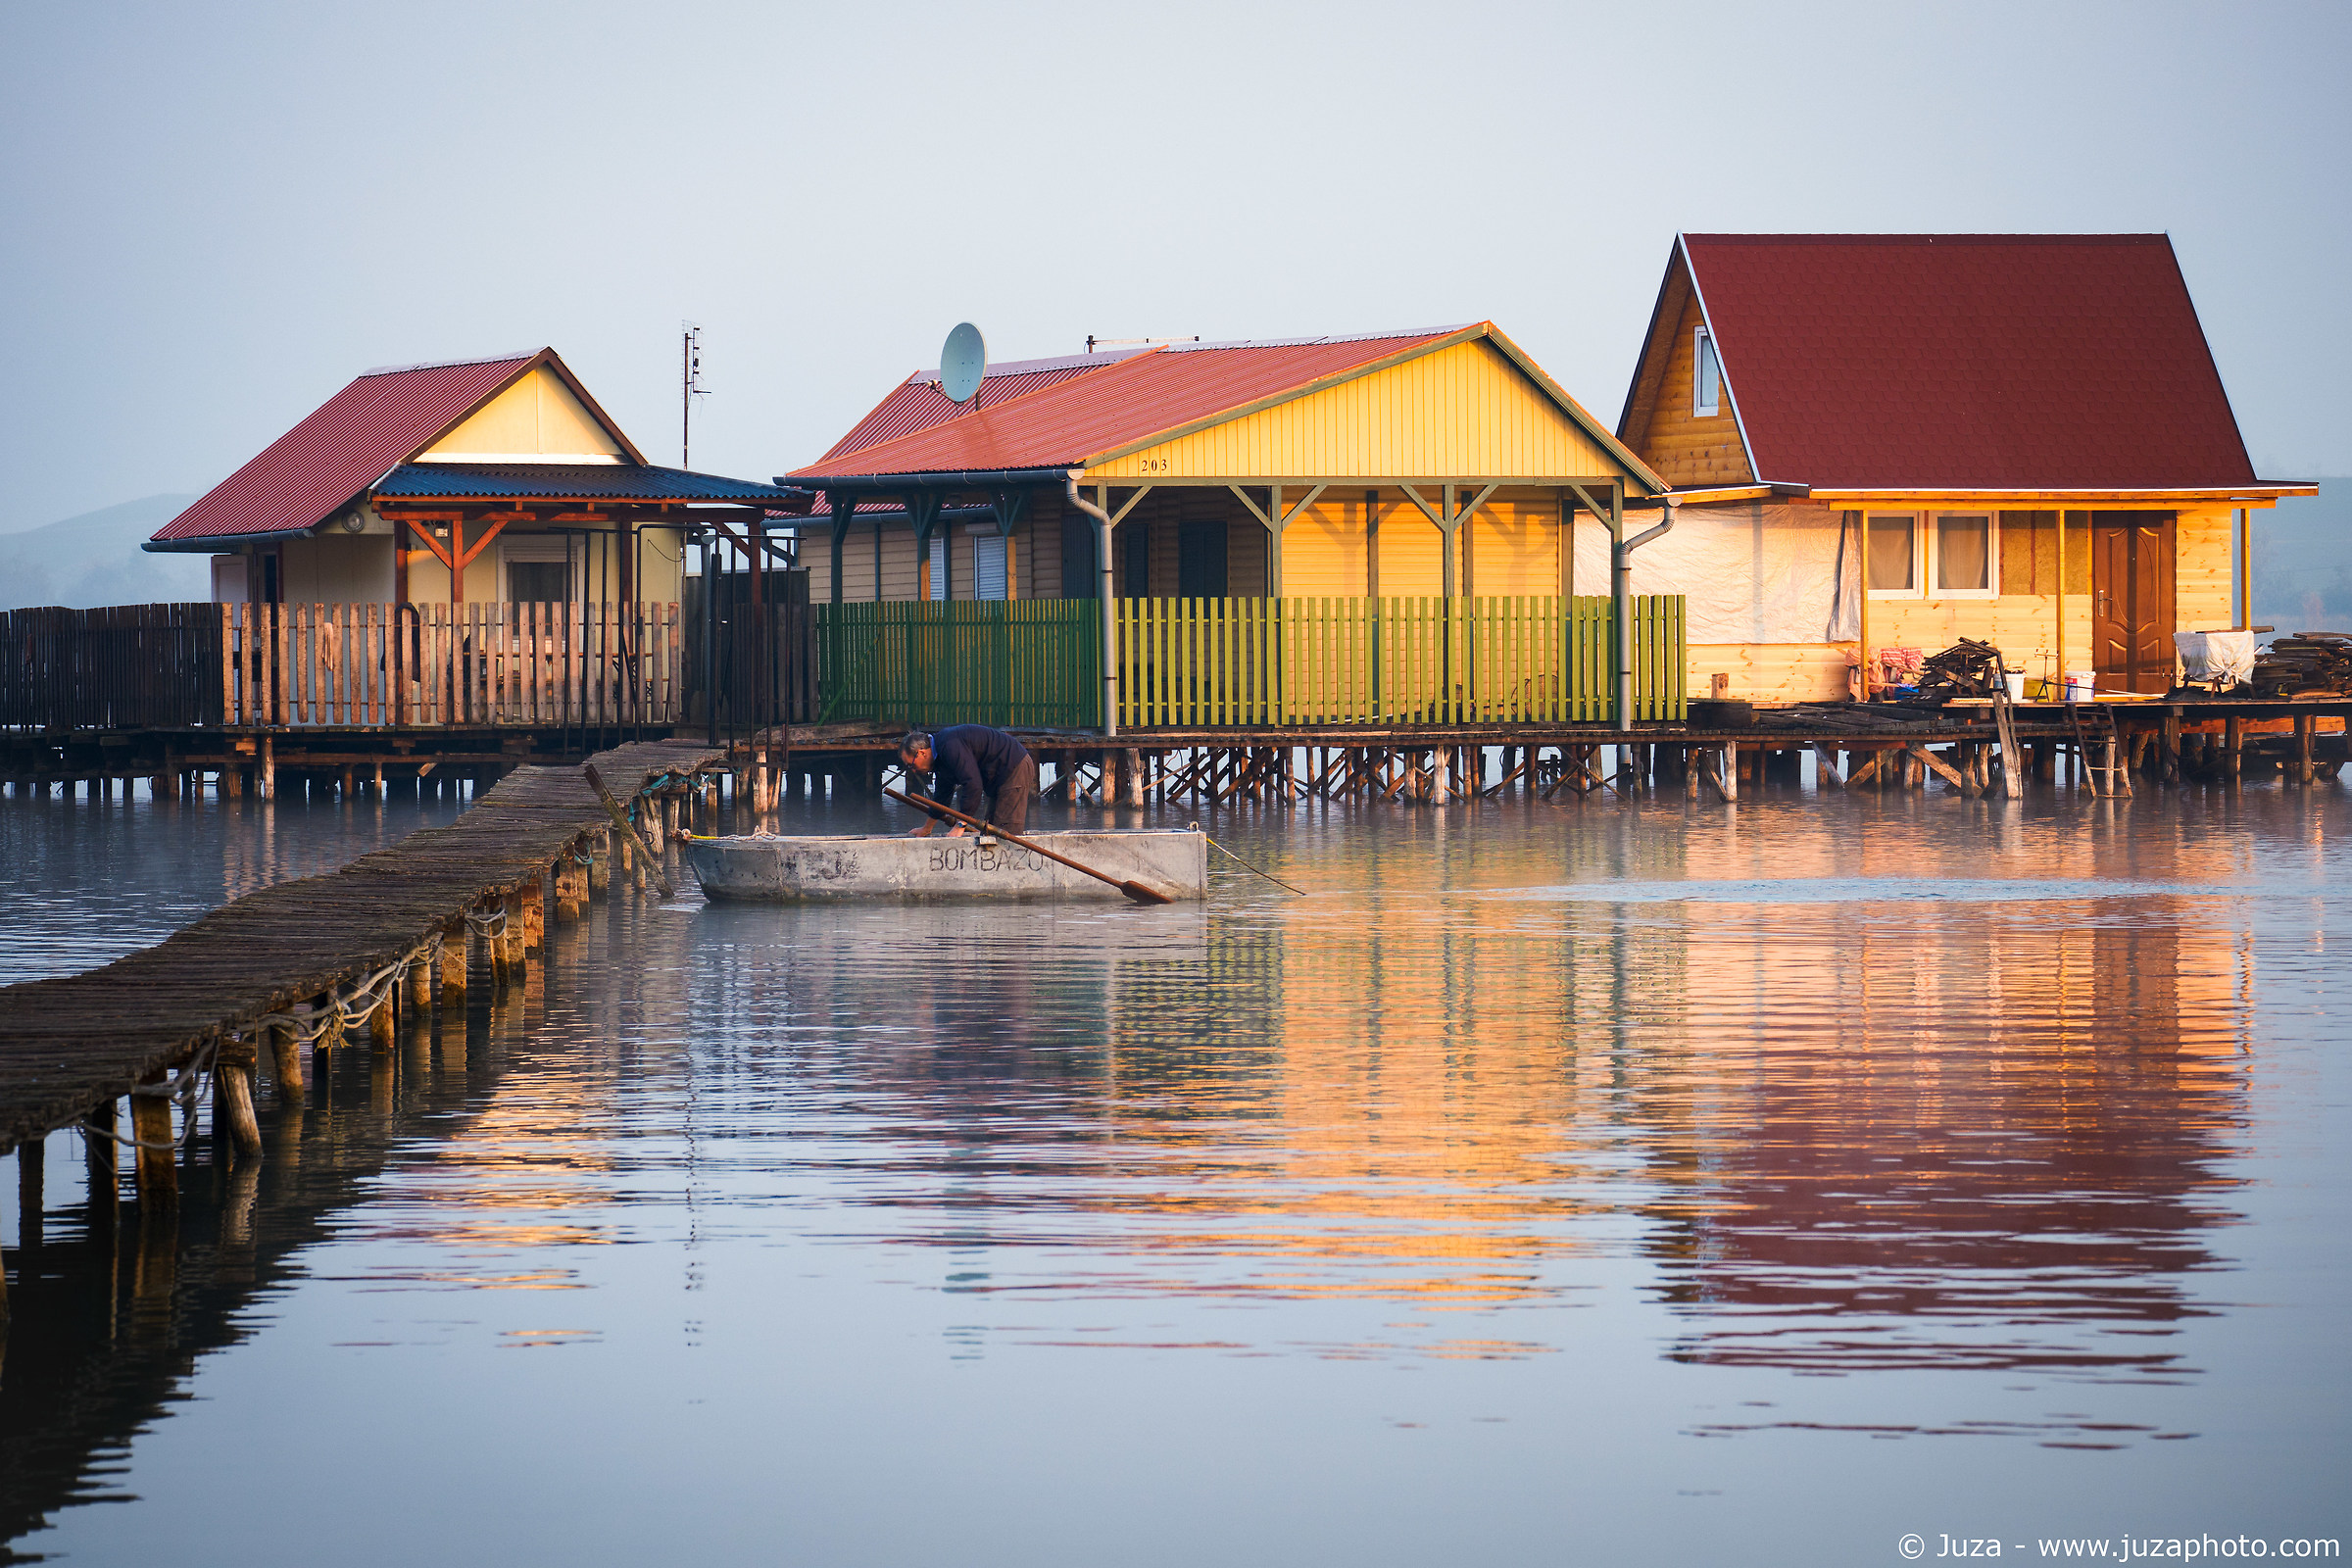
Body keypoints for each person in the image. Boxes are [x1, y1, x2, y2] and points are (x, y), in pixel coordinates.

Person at [899, 725, 1037, 838]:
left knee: (1006, 830)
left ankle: (1011, 870)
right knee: (990, 829)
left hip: (1013, 766)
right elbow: (941, 795)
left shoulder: (949, 746)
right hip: (997, 776)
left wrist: (960, 825)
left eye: (912, 765)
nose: (914, 771)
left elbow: (973, 784)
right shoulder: (940, 757)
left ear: (922, 753)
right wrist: (926, 828)